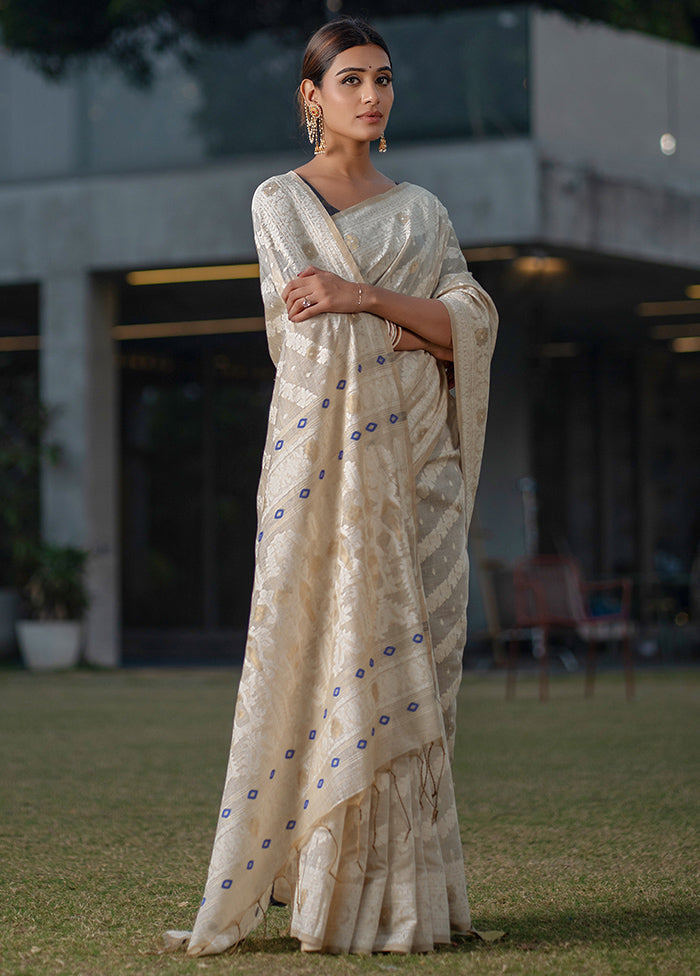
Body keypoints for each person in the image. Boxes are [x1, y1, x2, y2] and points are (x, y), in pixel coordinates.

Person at [169, 16, 498, 956]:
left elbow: (467, 322)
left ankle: (408, 903)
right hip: (327, 470)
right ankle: (322, 898)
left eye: (383, 78)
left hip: (419, 471)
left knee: (419, 679)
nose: (372, 94)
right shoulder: (281, 201)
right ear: (311, 97)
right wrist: (407, 324)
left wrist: (367, 300)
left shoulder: (423, 211)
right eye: (350, 79)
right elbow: (303, 332)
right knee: (326, 655)